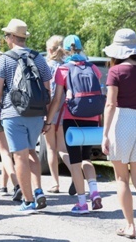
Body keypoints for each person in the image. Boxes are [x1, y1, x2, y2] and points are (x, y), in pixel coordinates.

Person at [0, 19, 52, 213]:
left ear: (11, 37)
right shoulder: (39, 58)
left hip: (12, 113)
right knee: (31, 152)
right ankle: (38, 190)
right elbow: (47, 90)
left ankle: (28, 200)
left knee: (20, 156)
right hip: (36, 113)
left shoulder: (5, 59)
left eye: (6, 35)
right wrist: (46, 116)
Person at [101, 29, 136, 240]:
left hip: (122, 122)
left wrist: (105, 134)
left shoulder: (115, 72)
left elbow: (110, 104)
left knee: (122, 179)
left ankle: (130, 226)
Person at [44, 35, 103, 214]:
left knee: (75, 161)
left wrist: (48, 120)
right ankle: (94, 192)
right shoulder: (93, 67)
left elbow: (57, 100)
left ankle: (82, 203)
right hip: (92, 117)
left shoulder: (63, 69)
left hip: (73, 117)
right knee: (86, 159)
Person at [0, 51, 20, 198]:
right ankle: (3, 185)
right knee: (8, 152)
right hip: (13, 112)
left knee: (5, 152)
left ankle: (17, 184)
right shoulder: (10, 71)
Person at [44, 35, 69, 193]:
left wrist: (46, 114)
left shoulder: (48, 67)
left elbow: (50, 93)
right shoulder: (67, 66)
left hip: (51, 111)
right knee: (63, 148)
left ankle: (55, 183)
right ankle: (77, 174)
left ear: (49, 50)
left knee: (51, 148)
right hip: (66, 112)